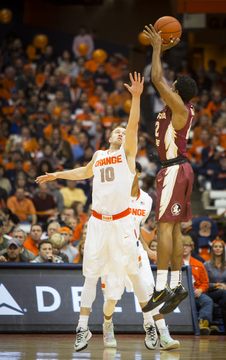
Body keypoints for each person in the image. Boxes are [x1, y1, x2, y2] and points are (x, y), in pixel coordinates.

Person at [36, 72, 153, 352]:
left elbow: (133, 125)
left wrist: (136, 98)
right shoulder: (100, 155)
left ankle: (142, 323)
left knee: (127, 276)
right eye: (117, 131)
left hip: (122, 223)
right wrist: (57, 175)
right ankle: (82, 328)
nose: (121, 133)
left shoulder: (127, 155)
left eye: (124, 132)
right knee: (90, 276)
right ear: (109, 135)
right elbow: (84, 172)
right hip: (98, 223)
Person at [142, 25, 197, 314]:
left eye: (172, 85)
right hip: (180, 168)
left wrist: (157, 47)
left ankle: (161, 286)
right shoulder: (183, 108)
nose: (169, 85)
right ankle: (176, 284)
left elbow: (155, 77)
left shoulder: (178, 107)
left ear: (176, 92)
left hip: (175, 171)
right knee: (174, 229)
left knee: (164, 227)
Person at [101, 162, 180, 350]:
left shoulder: (146, 199)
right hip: (113, 252)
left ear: (138, 174)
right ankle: (107, 326)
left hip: (136, 251)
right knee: (111, 299)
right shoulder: (111, 198)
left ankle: (163, 334)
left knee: (150, 293)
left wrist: (146, 248)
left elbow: (135, 228)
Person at [182, 235, 218, 335]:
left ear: (191, 248)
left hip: (195, 292)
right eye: (181, 245)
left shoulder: (199, 264)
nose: (184, 247)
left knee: (207, 301)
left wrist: (201, 290)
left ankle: (203, 325)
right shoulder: (172, 262)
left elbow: (205, 283)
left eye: (186, 245)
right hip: (179, 293)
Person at [204, 238, 226, 334]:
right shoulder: (206, 265)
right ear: (212, 249)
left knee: (223, 301)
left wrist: (224, 287)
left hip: (224, 294)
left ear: (223, 250)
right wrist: (218, 285)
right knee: (224, 293)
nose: (218, 248)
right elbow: (205, 284)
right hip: (210, 293)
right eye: (216, 247)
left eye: (220, 247)